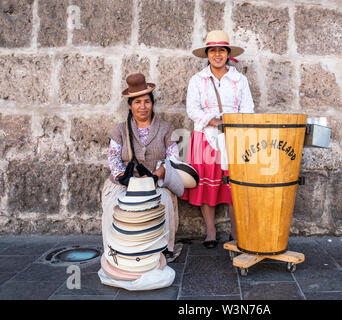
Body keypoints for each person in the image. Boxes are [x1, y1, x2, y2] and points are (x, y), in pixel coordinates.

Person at [181, 30, 255, 248]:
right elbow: (192, 109)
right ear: (207, 54)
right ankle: (211, 231)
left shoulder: (239, 80)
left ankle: (235, 231)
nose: (217, 54)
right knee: (207, 184)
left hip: (234, 137)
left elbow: (248, 108)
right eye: (212, 50)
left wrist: (233, 123)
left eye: (221, 50)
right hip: (205, 136)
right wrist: (213, 122)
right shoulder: (198, 80)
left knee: (235, 185)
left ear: (228, 53)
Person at [101, 73, 182, 263]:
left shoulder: (165, 129)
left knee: (164, 203)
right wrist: (122, 177)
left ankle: (163, 250)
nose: (143, 107)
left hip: (156, 181)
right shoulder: (120, 130)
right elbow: (113, 157)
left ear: (152, 103)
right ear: (130, 106)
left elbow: (173, 157)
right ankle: (115, 250)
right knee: (114, 205)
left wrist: (159, 174)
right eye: (137, 102)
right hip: (124, 183)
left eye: (147, 101)